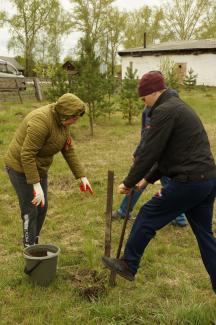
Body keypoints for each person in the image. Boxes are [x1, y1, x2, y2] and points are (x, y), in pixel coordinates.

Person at [102, 71, 216, 293]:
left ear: (154, 92)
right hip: (208, 181)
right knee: (205, 235)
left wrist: (129, 182)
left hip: (188, 181)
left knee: (147, 214)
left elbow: (149, 153)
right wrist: (146, 180)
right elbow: (167, 156)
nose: (144, 104)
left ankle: (128, 264)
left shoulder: (164, 111)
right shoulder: (178, 107)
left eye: (144, 99)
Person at [5, 93, 93, 247]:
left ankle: (34, 240)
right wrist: (35, 185)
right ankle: (29, 248)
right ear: (65, 113)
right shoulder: (41, 122)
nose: (76, 120)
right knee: (30, 210)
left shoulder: (63, 123)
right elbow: (26, 155)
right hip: (19, 167)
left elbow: (68, 150)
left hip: (39, 168)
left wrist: (81, 176)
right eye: (75, 117)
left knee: (42, 207)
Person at [112, 88, 187, 227]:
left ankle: (123, 211)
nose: (144, 101)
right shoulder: (149, 109)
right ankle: (180, 217)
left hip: (157, 153)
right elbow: (145, 133)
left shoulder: (162, 109)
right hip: (157, 153)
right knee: (166, 181)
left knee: (140, 178)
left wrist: (141, 154)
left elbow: (150, 137)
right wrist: (138, 151)